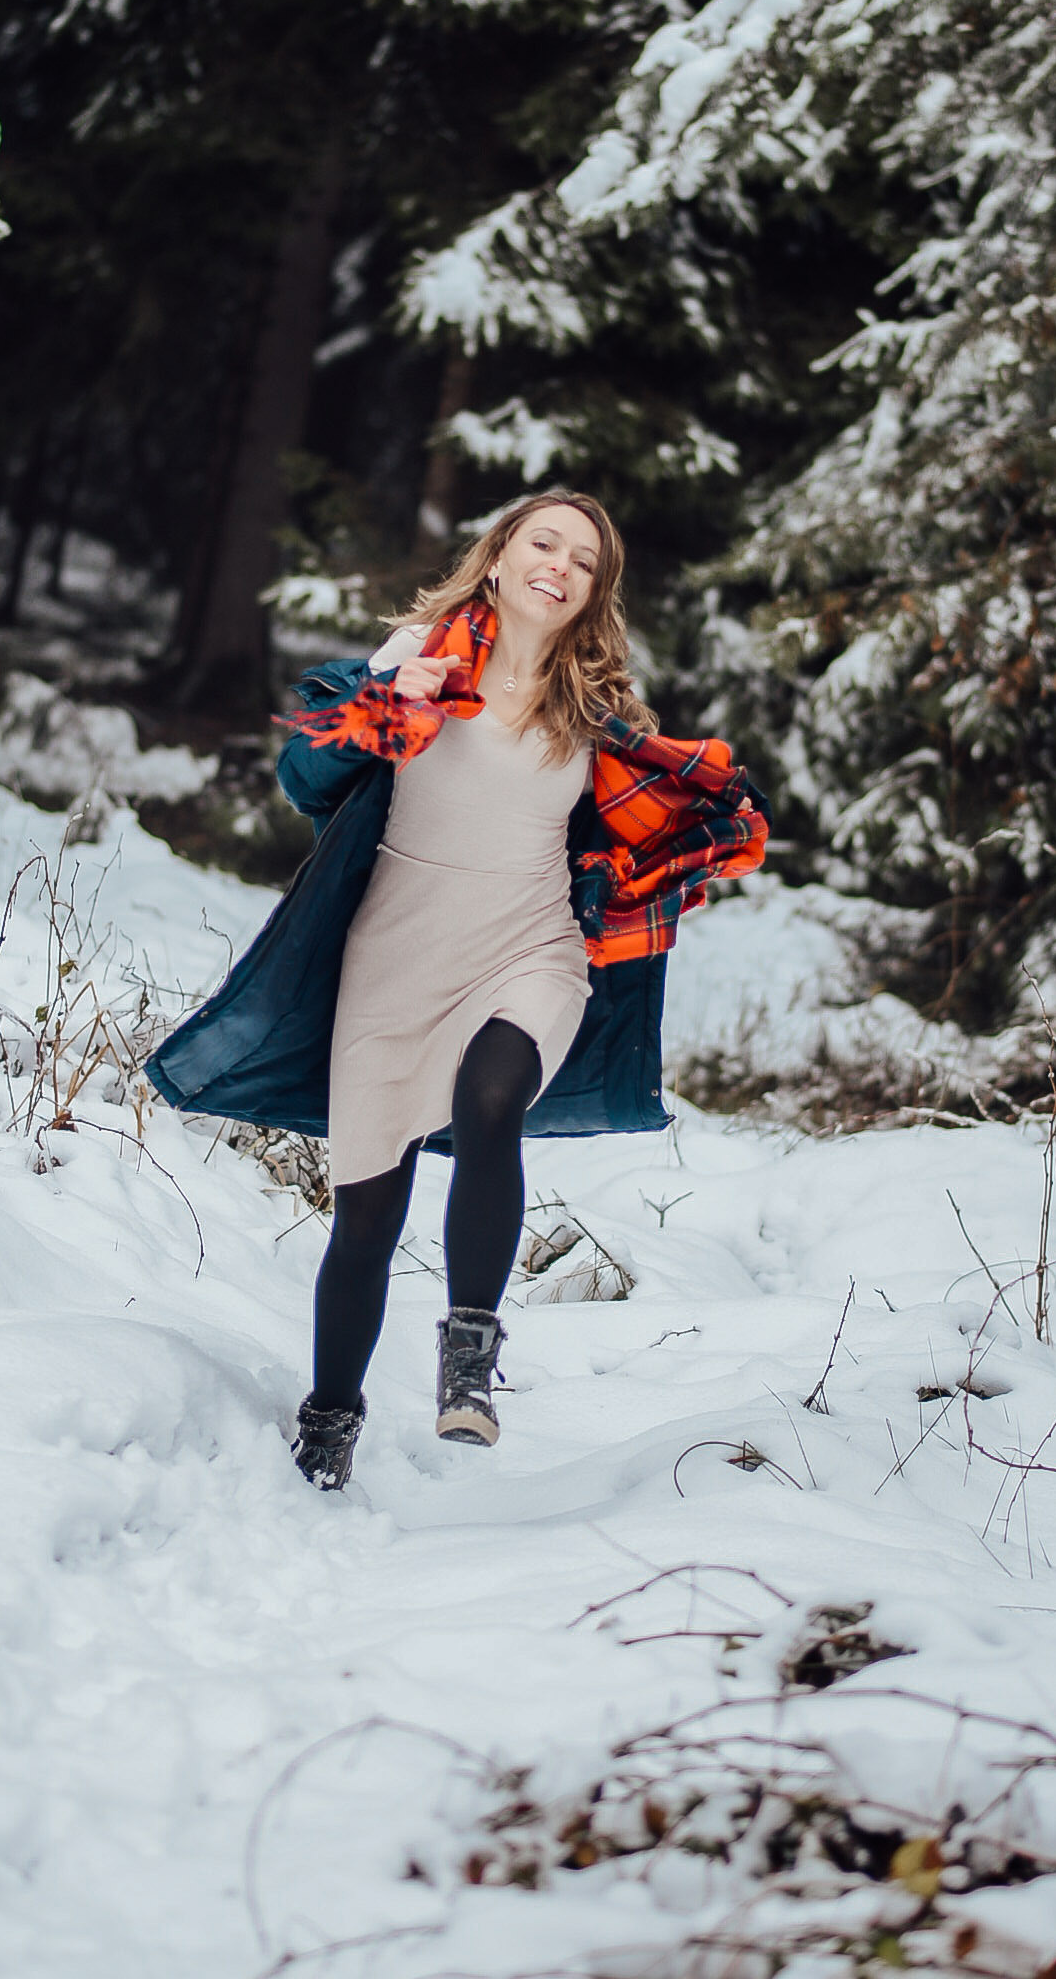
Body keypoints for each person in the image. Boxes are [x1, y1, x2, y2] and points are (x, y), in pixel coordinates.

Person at [146, 491, 766, 1491]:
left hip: (529, 943)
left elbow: (657, 817)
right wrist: (392, 705)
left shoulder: (591, 705)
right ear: (499, 552)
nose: (557, 565)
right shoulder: (414, 656)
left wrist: (692, 842)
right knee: (365, 1222)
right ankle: (330, 1414)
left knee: (492, 1091)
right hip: (394, 958)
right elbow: (305, 774)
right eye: (543, 541)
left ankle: (470, 1346)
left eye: (582, 559)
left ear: (592, 592)